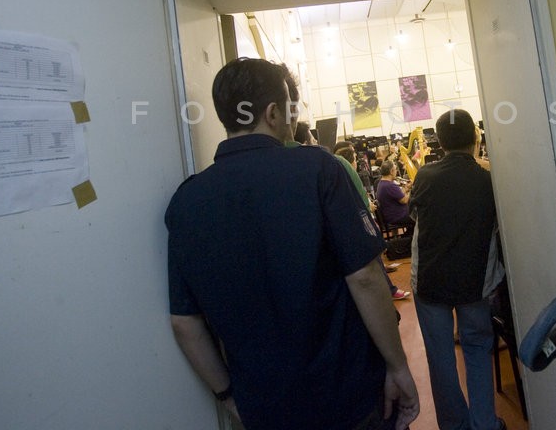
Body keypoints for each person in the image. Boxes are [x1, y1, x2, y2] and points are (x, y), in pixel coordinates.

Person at [164, 58, 419, 430]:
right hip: (345, 393)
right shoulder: (317, 169)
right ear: (272, 113)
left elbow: (184, 322)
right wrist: (398, 366)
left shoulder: (186, 202)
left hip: (265, 408)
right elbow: (364, 277)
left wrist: (229, 397)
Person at [409, 109, 506, 430]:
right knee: (477, 349)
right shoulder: (488, 181)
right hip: (475, 281)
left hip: (430, 281)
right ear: (475, 138)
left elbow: (415, 217)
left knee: (440, 360)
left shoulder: (424, 176)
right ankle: (485, 423)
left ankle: (454, 426)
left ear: (440, 141)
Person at [335, 141, 410, 301]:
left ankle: (388, 285)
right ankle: (390, 289)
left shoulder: (380, 183)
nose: (357, 162)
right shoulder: (349, 177)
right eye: (355, 158)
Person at [375, 159, 415, 236]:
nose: (396, 171)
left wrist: (406, 188)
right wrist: (413, 190)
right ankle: (410, 236)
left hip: (390, 215)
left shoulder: (382, 183)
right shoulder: (390, 185)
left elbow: (399, 195)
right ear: (391, 171)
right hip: (397, 216)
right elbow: (404, 200)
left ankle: (408, 235)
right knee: (420, 215)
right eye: (395, 169)